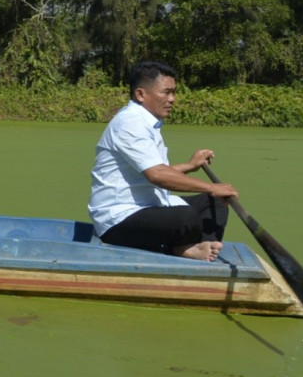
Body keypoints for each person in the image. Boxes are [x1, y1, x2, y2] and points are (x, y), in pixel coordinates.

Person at [89, 60, 236, 261]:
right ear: (141, 94)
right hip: (118, 219)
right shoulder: (130, 123)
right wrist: (211, 187)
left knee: (214, 202)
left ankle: (203, 248)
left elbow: (152, 170)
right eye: (166, 92)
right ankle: (182, 250)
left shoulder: (147, 122)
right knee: (187, 216)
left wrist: (190, 166)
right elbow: (157, 175)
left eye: (173, 92)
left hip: (148, 206)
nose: (173, 99)